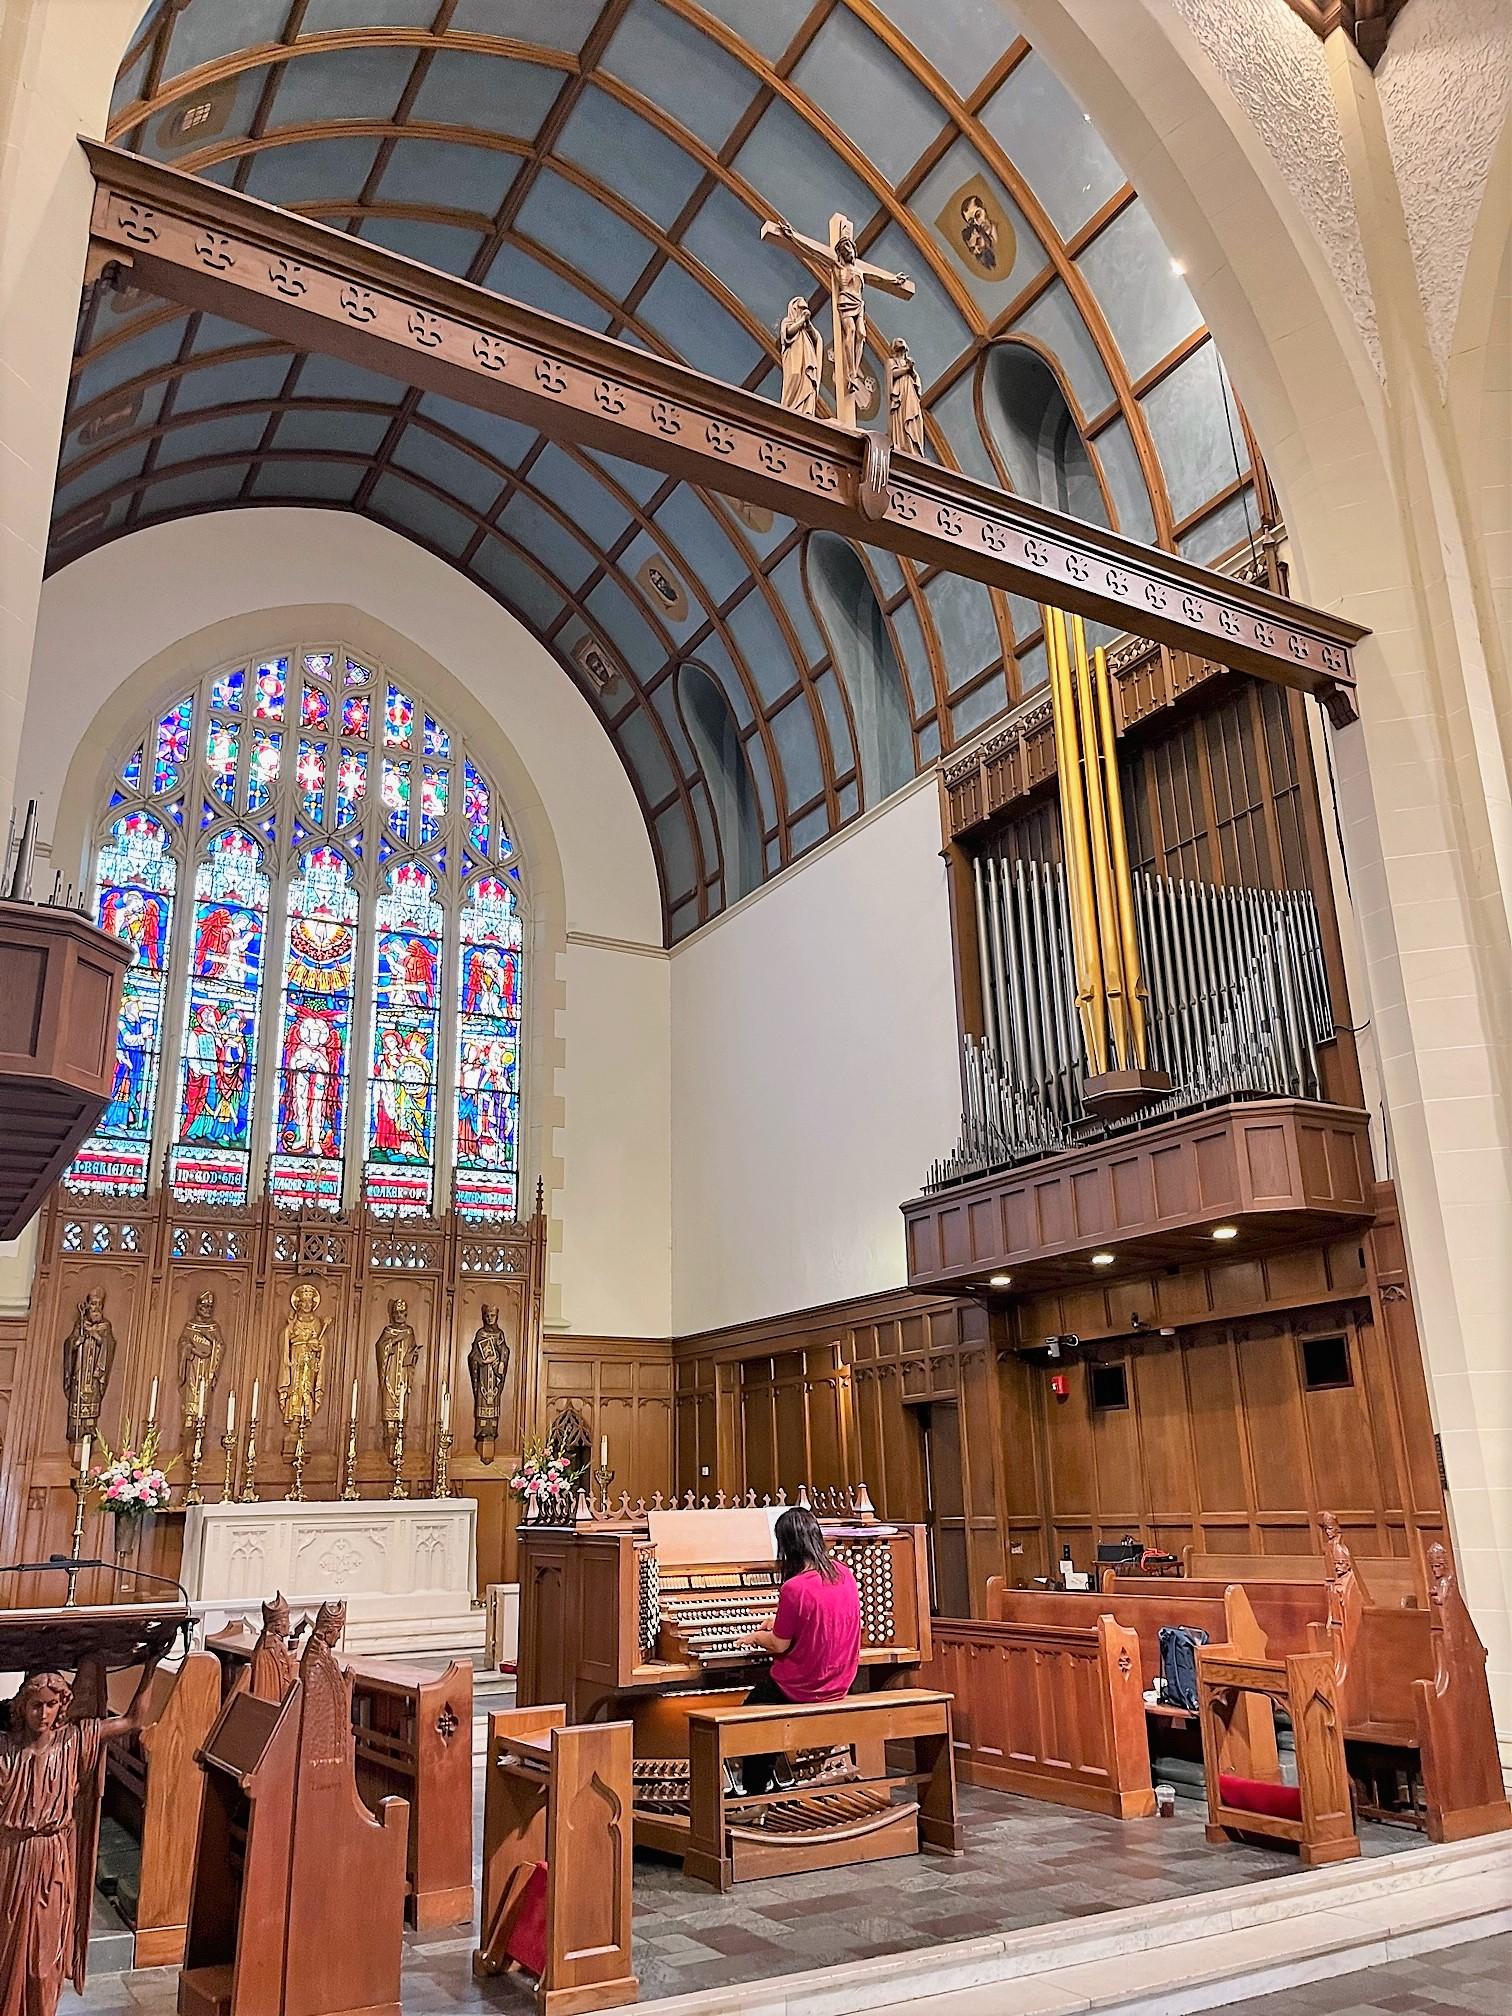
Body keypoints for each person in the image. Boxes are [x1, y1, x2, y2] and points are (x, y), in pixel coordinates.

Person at [0, 1658, 162, 2016]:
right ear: (22, 1706)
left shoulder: (74, 1741)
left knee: (45, 1953)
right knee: (8, 1946)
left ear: (62, 1706)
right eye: (35, 1705)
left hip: (52, 1856)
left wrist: (152, 1664)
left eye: (51, 1705)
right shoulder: (7, 1750)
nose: (43, 1714)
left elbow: (133, 1720)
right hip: (13, 1858)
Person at [738, 1506, 861, 1796]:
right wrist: (778, 1624)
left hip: (805, 1686)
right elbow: (818, 1617)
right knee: (765, 1706)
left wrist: (756, 1637)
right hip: (840, 1680)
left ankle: (754, 1796)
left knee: (750, 1717)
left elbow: (779, 1644)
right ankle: (776, 1783)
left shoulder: (794, 1588)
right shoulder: (844, 1574)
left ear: (787, 1546)